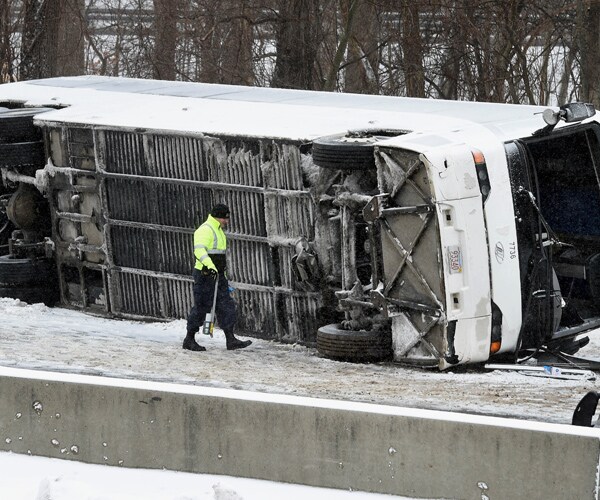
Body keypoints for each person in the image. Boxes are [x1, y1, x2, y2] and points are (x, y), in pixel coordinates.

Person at [183, 204, 252, 352]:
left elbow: (219, 256)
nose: (226, 221)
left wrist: (223, 275)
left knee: (226, 305)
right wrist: (211, 267)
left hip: (219, 276)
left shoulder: (219, 231)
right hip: (205, 274)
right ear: (217, 217)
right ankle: (189, 339)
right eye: (224, 218)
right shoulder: (205, 230)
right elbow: (199, 251)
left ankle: (230, 339)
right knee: (202, 306)